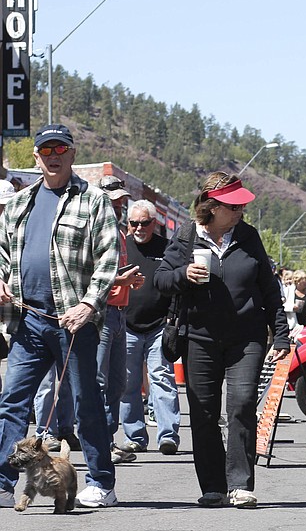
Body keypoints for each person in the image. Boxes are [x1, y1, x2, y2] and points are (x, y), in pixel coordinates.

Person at [0, 124, 121, 509]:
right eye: (46, 150)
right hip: (26, 321)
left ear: (71, 154)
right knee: (12, 402)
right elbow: (2, 253)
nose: (53, 156)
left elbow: (108, 257)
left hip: (74, 321)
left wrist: (89, 304)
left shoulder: (94, 201)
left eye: (60, 149)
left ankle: (101, 482)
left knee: (87, 404)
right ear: (36, 157)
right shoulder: (19, 204)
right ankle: (4, 482)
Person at [154, 172, 290, 508]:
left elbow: (270, 290)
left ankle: (240, 483)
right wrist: (182, 276)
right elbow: (160, 280)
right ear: (211, 207)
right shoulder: (186, 238)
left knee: (242, 404)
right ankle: (213, 485)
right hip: (199, 338)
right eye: (234, 205)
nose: (241, 210)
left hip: (247, 338)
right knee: (203, 412)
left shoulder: (249, 237)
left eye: (242, 204)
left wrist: (282, 333)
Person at [120, 200, 181, 455]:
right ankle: (135, 436)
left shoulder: (167, 249)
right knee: (128, 383)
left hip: (159, 327)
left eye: (144, 223)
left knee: (162, 379)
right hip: (127, 325)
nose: (138, 228)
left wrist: (171, 317)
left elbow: (177, 286)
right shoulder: (121, 247)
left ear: (153, 223)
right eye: (133, 223)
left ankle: (168, 436)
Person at [96, 176, 145, 465]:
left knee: (117, 383)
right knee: (100, 382)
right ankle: (100, 442)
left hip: (118, 313)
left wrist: (130, 282)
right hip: (100, 312)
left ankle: (109, 439)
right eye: (112, 197)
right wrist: (120, 280)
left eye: (120, 197)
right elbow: (89, 274)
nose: (118, 202)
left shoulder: (120, 231)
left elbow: (116, 273)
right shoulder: (94, 229)